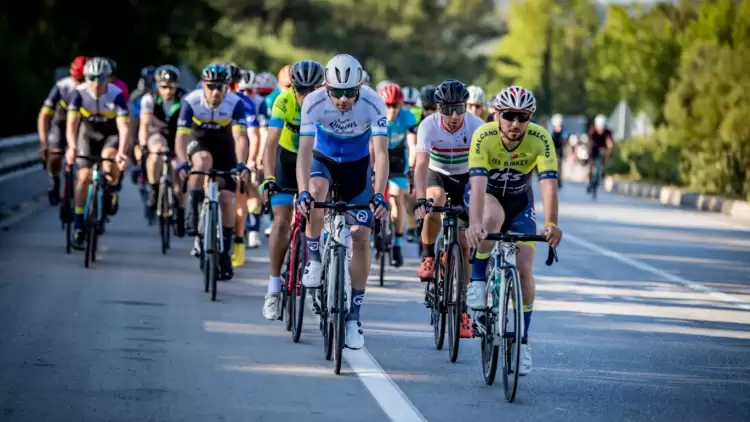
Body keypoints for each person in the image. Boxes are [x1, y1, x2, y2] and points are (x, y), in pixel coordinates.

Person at [464, 85, 563, 376]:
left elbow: (548, 185)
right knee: (491, 218)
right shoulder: (483, 135)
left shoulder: (540, 138)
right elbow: (478, 186)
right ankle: (479, 280)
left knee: (524, 269)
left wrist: (552, 224)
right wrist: (474, 224)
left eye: (522, 117)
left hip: (520, 201)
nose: (515, 123)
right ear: (497, 114)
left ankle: (522, 342)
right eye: (509, 116)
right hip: (487, 196)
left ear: (530, 117)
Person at [295, 54, 389, 349]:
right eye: (337, 92)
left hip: (357, 167)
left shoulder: (374, 102)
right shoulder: (313, 101)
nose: (344, 99)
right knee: (316, 190)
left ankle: (353, 318)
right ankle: (313, 259)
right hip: (323, 160)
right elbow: (304, 152)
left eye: (351, 92)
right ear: (327, 87)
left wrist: (379, 194)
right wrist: (302, 192)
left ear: (360, 87)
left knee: (361, 236)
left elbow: (382, 153)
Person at [413, 80, 485, 339]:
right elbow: (421, 165)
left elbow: (483, 171)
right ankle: (429, 256)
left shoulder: (477, 126)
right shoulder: (428, 125)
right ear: (439, 108)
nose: (454, 116)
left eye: (459, 109)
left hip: (466, 177)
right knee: (435, 200)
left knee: (465, 244)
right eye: (448, 109)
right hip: (438, 175)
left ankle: (463, 309)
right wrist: (421, 198)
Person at [258, 60, 325, 320]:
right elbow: (271, 144)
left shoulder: (326, 104)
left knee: (320, 212)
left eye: (312, 90)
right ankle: (273, 288)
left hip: (315, 161)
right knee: (282, 221)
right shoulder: (283, 101)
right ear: (293, 87)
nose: (305, 96)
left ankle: (320, 271)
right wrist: (268, 178)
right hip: (286, 160)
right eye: (300, 89)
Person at [175, 63, 251, 281]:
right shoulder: (191, 101)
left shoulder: (235, 103)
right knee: (203, 160)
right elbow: (181, 137)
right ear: (203, 85)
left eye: (220, 86)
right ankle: (192, 208)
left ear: (228, 87)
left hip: (225, 148)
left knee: (227, 199)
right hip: (198, 143)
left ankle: (225, 253)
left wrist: (241, 163)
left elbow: (240, 138)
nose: (216, 91)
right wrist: (182, 162)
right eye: (211, 86)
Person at [65, 57, 131, 249]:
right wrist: (71, 147)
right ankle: (78, 225)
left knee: (110, 160)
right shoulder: (79, 93)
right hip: (87, 134)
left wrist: (122, 152)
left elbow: (124, 128)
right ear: (85, 78)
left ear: (108, 79)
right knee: (83, 176)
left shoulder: (116, 94)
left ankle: (111, 189)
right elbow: (72, 124)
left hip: (109, 135)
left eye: (101, 78)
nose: (96, 83)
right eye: (91, 78)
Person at [137, 65, 188, 229]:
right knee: (156, 150)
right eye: (163, 87)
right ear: (157, 85)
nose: (167, 91)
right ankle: (153, 188)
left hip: (178, 135)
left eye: (171, 87)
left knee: (179, 171)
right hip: (157, 133)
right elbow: (144, 125)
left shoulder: (184, 97)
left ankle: (181, 211)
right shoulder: (149, 98)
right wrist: (143, 146)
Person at [375, 83, 418, 267]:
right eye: (387, 105)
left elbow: (413, 146)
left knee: (396, 197)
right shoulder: (375, 115)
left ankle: (398, 243)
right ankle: (375, 230)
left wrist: (411, 169)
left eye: (395, 106)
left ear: (400, 105)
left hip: (399, 160)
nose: (391, 110)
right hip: (378, 157)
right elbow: (369, 146)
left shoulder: (407, 117)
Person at [37, 55, 88, 205]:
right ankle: (55, 179)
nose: (80, 85)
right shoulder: (62, 86)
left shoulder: (93, 89)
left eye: (83, 81)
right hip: (61, 122)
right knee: (55, 154)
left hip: (81, 125)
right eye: (77, 81)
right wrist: (43, 143)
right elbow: (44, 115)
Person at [226, 63, 262, 265]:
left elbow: (253, 136)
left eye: (231, 84)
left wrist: (249, 161)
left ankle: (239, 242)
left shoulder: (244, 103)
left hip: (238, 153)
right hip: (217, 150)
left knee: (240, 201)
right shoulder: (205, 99)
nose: (227, 88)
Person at [586, 114, 614, 193]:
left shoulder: (607, 132)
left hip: (602, 149)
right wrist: (590, 152)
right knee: (591, 165)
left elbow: (610, 142)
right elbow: (590, 143)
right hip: (593, 148)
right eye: (599, 127)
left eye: (602, 127)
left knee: (602, 163)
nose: (600, 129)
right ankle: (590, 181)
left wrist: (609, 149)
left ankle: (601, 174)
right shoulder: (592, 131)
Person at [550, 113, 567, 188]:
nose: (558, 127)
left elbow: (565, 138)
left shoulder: (563, 129)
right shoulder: (551, 129)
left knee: (559, 164)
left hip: (559, 148)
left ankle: (559, 180)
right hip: (552, 148)